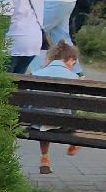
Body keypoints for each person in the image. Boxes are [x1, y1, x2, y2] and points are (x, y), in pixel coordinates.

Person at [25, 40, 83, 175]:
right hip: (62, 123)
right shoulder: (74, 77)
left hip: (36, 121)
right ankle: (73, 143)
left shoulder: (36, 74)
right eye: (73, 62)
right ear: (69, 59)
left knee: (44, 121)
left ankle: (44, 158)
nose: (73, 66)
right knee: (70, 115)